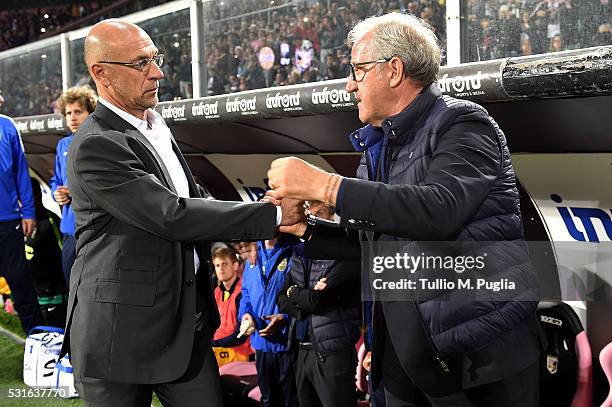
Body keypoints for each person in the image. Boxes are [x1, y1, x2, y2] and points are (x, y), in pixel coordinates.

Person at [267, 12, 543, 407]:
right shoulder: (376, 148)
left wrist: (326, 186)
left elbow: (438, 209)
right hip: (403, 361)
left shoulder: (463, 123)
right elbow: (373, 250)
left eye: (357, 70)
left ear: (394, 70)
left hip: (479, 362)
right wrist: (305, 229)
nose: (349, 85)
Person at [61, 19, 301, 407]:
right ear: (101, 73)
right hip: (117, 338)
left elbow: (194, 196)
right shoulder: (95, 145)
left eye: (155, 58)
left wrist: (242, 229)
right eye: (140, 63)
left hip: (185, 326)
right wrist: (270, 216)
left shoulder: (154, 125)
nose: (157, 72)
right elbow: (171, 214)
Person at [277, 202, 361, 407]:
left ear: (329, 204)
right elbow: (281, 300)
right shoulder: (298, 251)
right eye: (305, 204)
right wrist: (301, 294)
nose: (309, 209)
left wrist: (294, 293)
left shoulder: (345, 245)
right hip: (301, 350)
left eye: (313, 202)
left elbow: (319, 301)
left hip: (333, 354)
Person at [0, 89, 45, 334]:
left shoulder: (7, 127)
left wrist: (28, 211)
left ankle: (39, 343)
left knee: (21, 284)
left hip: (8, 221)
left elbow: (20, 172)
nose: (1, 98)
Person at [238, 234, 298, 407]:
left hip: (287, 344)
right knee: (268, 400)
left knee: (291, 401)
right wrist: (246, 315)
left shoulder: (293, 252)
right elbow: (246, 294)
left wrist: (285, 318)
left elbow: (300, 296)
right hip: (261, 344)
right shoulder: (253, 253)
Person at [49, 85, 97, 287]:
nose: (72, 118)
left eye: (78, 112)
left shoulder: (100, 141)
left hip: (94, 228)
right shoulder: (63, 145)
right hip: (69, 227)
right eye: (68, 113)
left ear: (90, 112)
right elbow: (56, 180)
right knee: (71, 283)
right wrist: (56, 193)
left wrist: (76, 192)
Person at [211, 246, 253, 364]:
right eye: (217, 265)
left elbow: (240, 336)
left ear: (235, 266)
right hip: (219, 345)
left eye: (225, 264)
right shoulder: (217, 292)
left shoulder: (242, 293)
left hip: (238, 350)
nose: (220, 269)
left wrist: (214, 343)